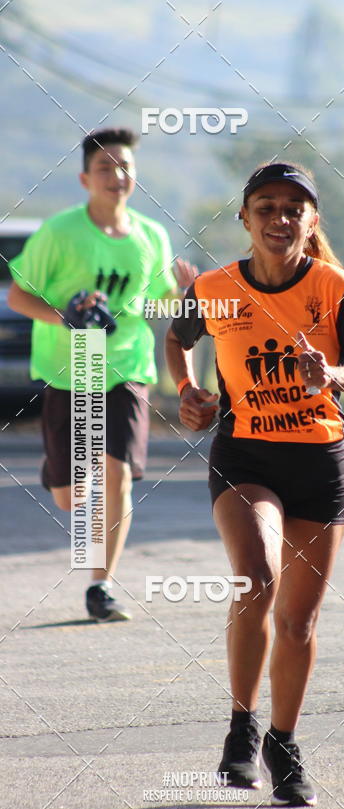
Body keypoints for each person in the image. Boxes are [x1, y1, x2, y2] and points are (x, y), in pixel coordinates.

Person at [165, 162, 344, 806]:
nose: (280, 217)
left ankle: (283, 741)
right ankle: (240, 727)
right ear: (245, 219)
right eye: (265, 206)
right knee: (256, 575)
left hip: (320, 462)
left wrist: (335, 376)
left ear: (311, 220)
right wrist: (187, 390)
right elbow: (176, 338)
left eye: (294, 208)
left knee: (298, 621)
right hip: (246, 457)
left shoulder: (333, 287)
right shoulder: (215, 288)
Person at [8, 127, 196, 622]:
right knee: (73, 499)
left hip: (127, 366)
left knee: (118, 475)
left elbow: (157, 304)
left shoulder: (151, 236)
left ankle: (101, 586)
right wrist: (64, 315)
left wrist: (185, 294)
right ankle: (65, 479)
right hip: (68, 369)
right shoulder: (60, 232)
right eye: (106, 167)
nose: (118, 175)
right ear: (84, 178)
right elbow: (17, 296)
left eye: (126, 167)